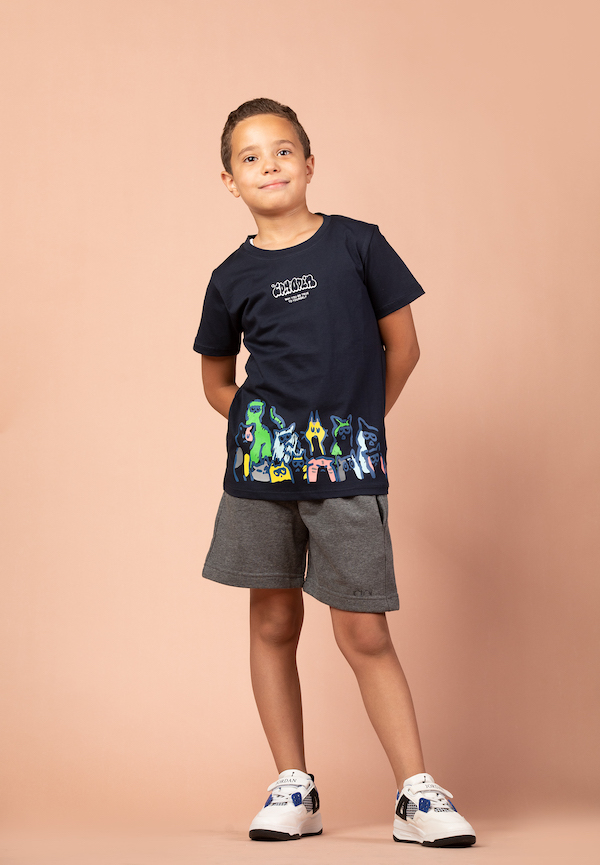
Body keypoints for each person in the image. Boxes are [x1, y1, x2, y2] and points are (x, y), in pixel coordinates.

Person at [193, 98, 476, 847]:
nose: (269, 166)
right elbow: (216, 379)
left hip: (347, 469)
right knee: (273, 621)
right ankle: (295, 786)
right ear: (229, 181)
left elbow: (403, 348)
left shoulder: (358, 244)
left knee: (363, 630)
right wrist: (258, 428)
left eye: (283, 151)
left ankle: (416, 794)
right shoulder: (230, 276)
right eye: (250, 157)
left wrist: (359, 429)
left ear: (310, 163)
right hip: (259, 479)